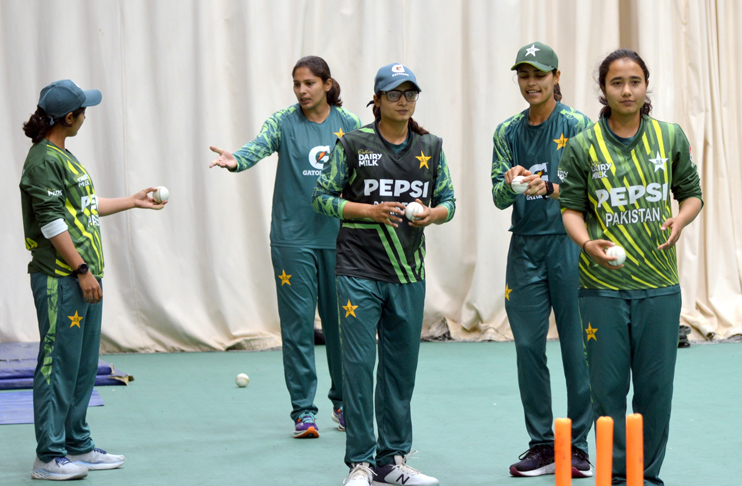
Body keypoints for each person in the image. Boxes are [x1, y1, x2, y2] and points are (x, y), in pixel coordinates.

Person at [558, 49, 703, 486]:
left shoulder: (669, 137)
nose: (626, 90)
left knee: (656, 392)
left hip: (660, 286)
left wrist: (682, 217)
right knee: (607, 392)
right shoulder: (584, 145)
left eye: (635, 81)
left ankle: (648, 477)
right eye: (617, 82)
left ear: (646, 86)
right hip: (601, 290)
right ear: (602, 89)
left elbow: (692, 193)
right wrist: (586, 243)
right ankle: (618, 477)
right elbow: (570, 208)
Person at [313, 63, 455, 486]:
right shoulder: (354, 143)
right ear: (376, 100)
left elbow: (449, 201)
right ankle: (360, 462)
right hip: (358, 269)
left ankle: (392, 461)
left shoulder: (430, 144)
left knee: (400, 369)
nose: (403, 101)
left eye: (410, 93)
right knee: (359, 366)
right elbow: (322, 199)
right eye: (394, 94)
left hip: (408, 274)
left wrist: (433, 214)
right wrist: (368, 211)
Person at [19, 79, 167, 481]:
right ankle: (48, 457)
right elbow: (50, 222)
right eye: (83, 110)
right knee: (56, 366)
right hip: (60, 279)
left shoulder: (64, 156)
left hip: (83, 279)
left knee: (82, 365)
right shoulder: (42, 160)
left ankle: (77, 445)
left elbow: (84, 207)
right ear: (69, 118)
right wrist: (81, 270)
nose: (86, 114)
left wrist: (132, 201)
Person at [209, 56, 361, 438]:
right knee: (297, 329)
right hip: (293, 241)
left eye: (309, 83)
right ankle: (303, 413)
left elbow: (369, 171)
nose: (302, 91)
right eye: (296, 84)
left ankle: (343, 405)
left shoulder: (351, 125)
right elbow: (258, 146)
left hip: (340, 241)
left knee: (342, 327)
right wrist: (236, 160)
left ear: (327, 84)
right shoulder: (282, 122)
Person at [490, 42, 594, 478]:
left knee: (578, 347)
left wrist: (550, 189)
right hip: (525, 247)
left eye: (540, 74)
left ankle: (578, 447)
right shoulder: (507, 131)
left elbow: (594, 191)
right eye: (524, 75)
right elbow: (497, 197)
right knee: (529, 347)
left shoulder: (580, 125)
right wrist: (512, 181)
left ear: (556, 77)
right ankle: (542, 444)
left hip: (570, 245)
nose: (532, 83)